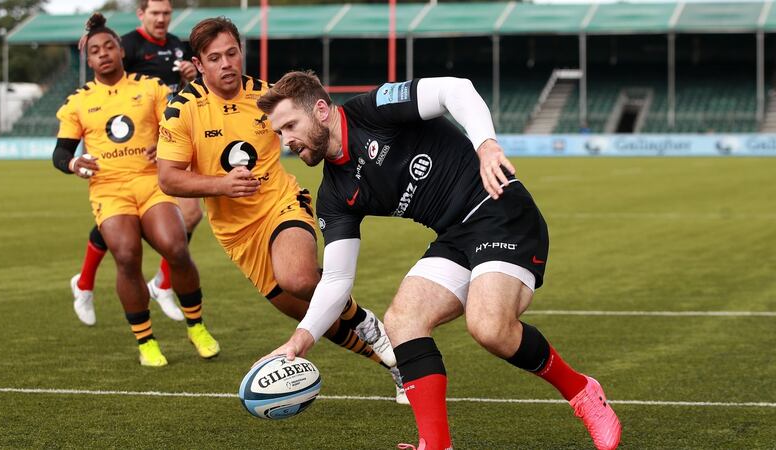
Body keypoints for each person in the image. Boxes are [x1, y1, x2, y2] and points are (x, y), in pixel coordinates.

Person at [256, 71, 622, 450]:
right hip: (454, 236)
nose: (286, 142)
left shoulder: (374, 108)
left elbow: (456, 89)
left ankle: (582, 391)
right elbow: (335, 279)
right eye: (280, 134)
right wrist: (299, 341)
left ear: (320, 110)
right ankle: (436, 444)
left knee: (489, 327)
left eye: (289, 126)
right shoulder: (335, 192)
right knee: (402, 321)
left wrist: (486, 145)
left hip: (499, 210)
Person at [155, 17, 406, 403]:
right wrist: (221, 185)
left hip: (281, 204)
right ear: (199, 64)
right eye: (215, 58)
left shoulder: (266, 96)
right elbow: (168, 179)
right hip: (237, 235)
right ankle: (396, 367)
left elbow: (313, 128)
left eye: (232, 53)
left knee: (300, 278)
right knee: (312, 315)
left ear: (241, 52)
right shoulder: (182, 109)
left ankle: (365, 320)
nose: (227, 64)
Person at [53, 13, 219, 367]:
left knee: (175, 246)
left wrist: (162, 143)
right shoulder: (78, 101)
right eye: (95, 50)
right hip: (109, 190)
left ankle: (197, 326)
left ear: (121, 51)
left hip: (151, 183)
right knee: (126, 256)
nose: (103, 54)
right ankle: (146, 341)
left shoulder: (151, 87)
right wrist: (73, 164)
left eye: (109, 46)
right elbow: (61, 153)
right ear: (89, 59)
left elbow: (175, 126)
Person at [69, 0, 201, 326]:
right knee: (122, 228)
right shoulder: (126, 44)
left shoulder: (175, 46)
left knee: (190, 216)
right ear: (141, 14)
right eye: (154, 13)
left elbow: (173, 97)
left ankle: (162, 283)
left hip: (167, 141)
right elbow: (112, 84)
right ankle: (86, 283)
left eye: (166, 13)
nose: (161, 19)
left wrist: (190, 76)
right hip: (131, 146)